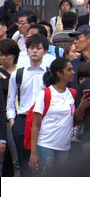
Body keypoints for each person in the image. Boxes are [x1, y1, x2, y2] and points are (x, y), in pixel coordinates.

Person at [6, 34, 49, 176]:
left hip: (44, 121)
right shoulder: (18, 74)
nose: (35, 51)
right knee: (23, 163)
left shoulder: (50, 73)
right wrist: (13, 122)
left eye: (38, 48)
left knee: (43, 162)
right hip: (22, 120)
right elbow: (11, 100)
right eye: (31, 48)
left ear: (45, 51)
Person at [28, 57, 75, 176]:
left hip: (65, 146)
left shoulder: (73, 93)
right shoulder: (45, 93)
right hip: (46, 144)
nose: (73, 72)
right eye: (69, 69)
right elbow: (36, 124)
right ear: (59, 73)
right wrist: (33, 153)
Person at [0, 39, 21, 177]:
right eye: (0, 54)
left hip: (16, 116)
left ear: (14, 55)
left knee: (17, 160)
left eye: (6, 55)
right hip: (3, 118)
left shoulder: (21, 72)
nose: (2, 58)